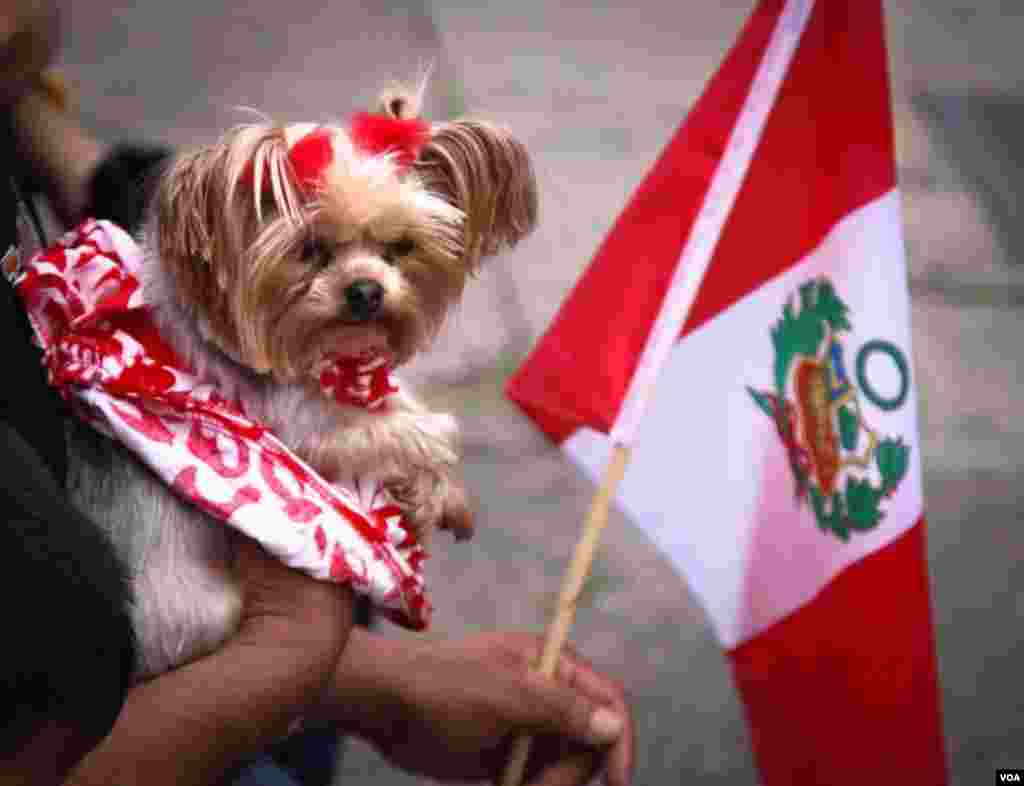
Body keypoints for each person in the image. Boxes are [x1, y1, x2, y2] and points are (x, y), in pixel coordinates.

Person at [1, 4, 635, 785]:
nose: (367, 283)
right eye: (316, 253)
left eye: (399, 252)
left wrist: (363, 679)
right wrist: (293, 650)